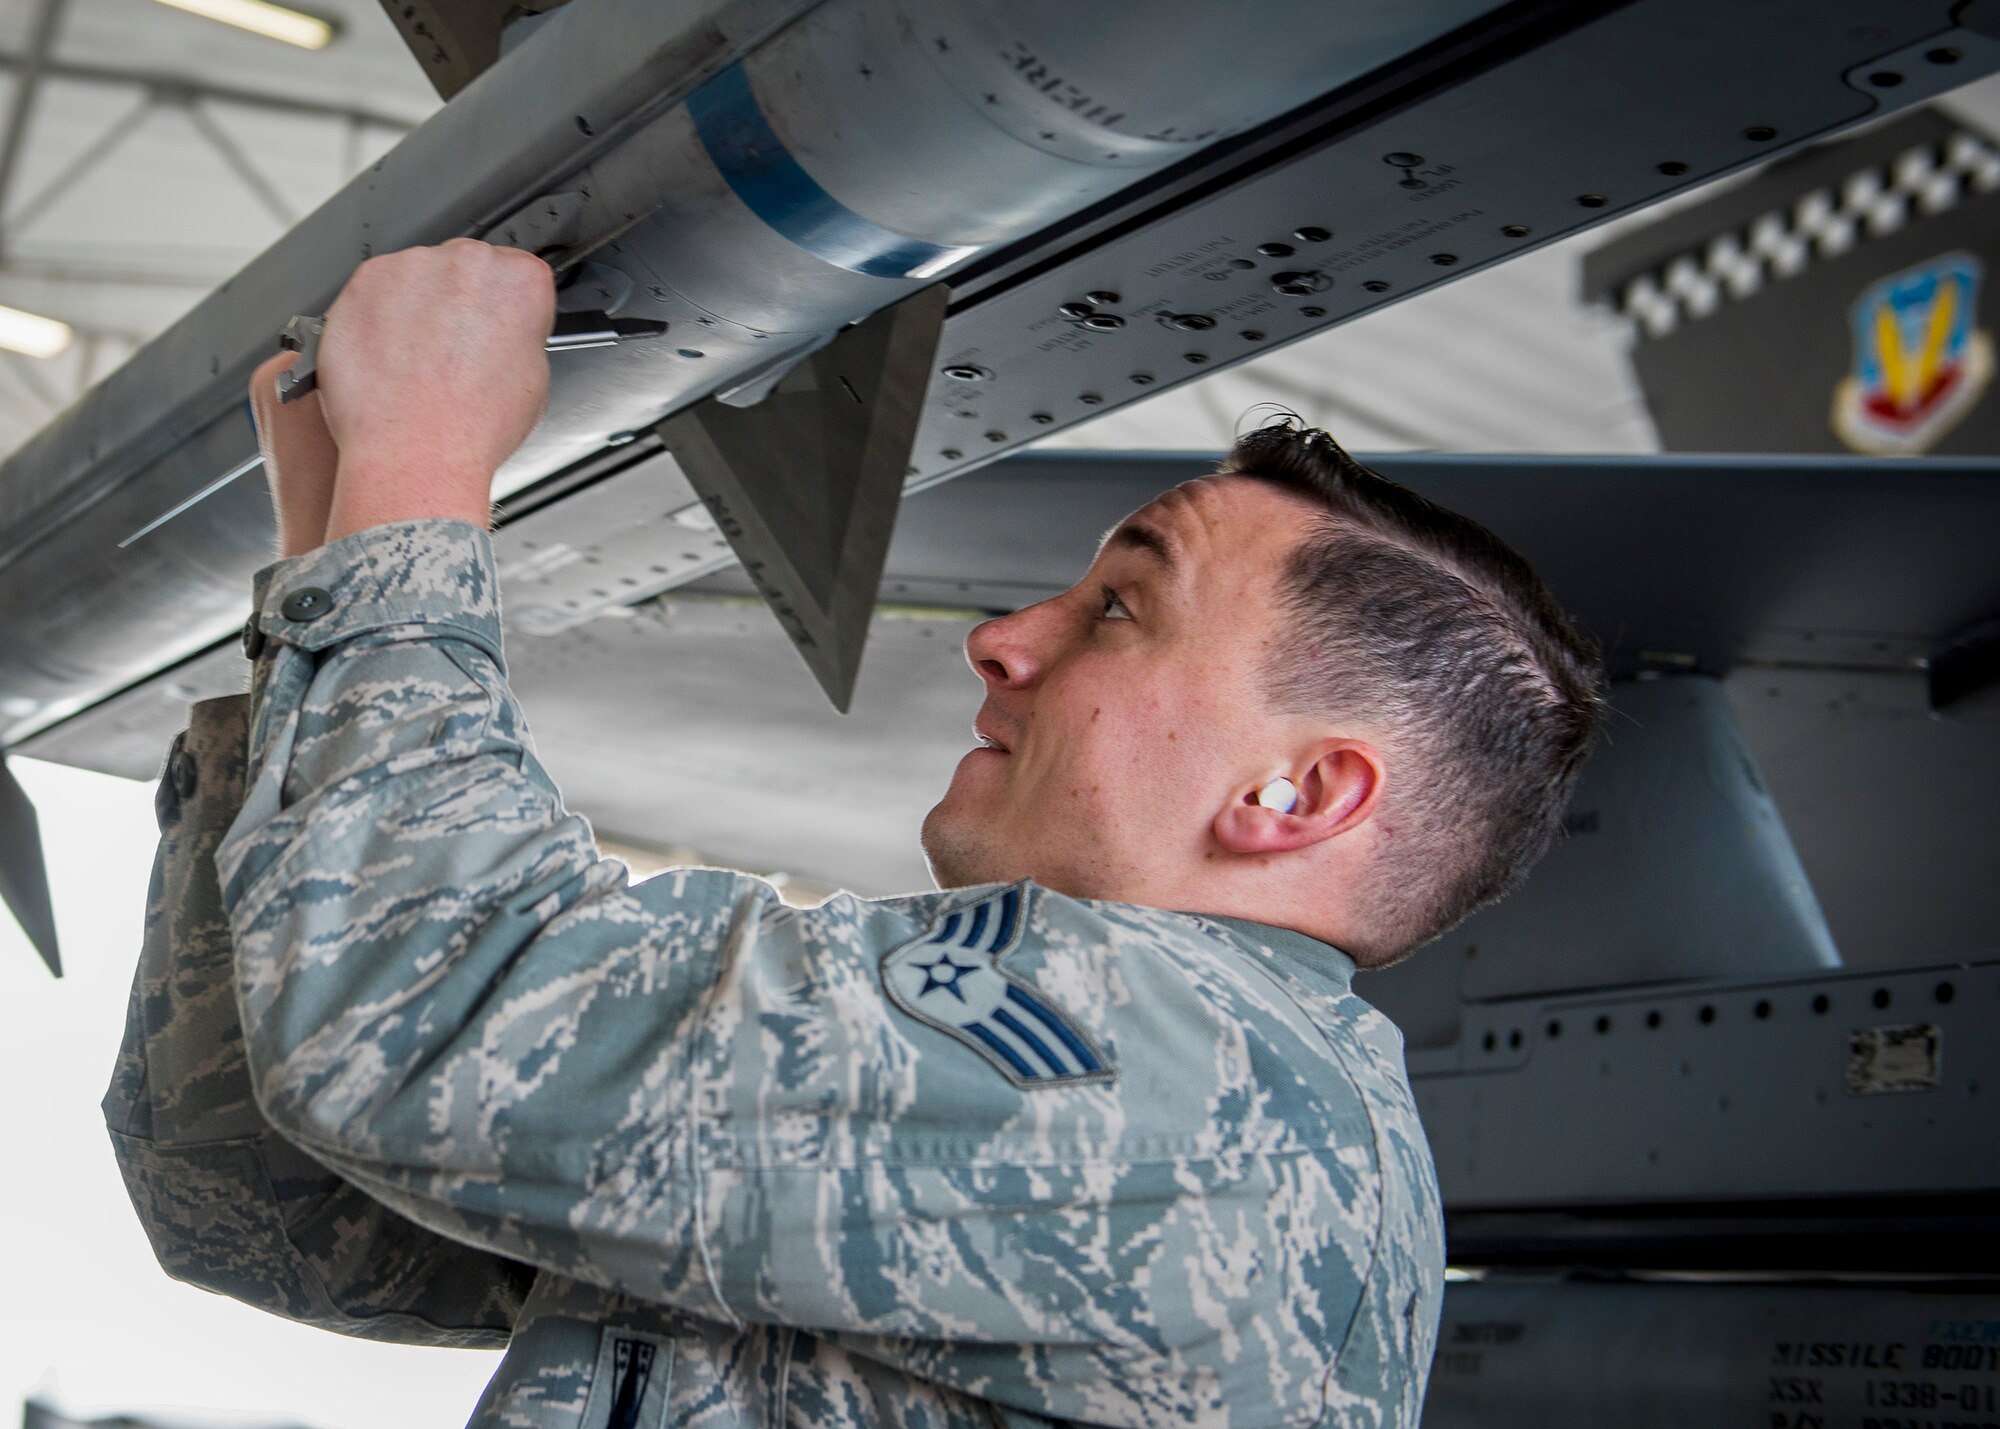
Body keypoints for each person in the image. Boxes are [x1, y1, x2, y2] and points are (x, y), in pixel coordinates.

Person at [108, 238, 1602, 1427]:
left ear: (1299, 796)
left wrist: (417, 485)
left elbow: (414, 1027)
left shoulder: (1200, 1082)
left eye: (1119, 609)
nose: (1005, 638)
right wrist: (338, 545)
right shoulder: (1163, 1115)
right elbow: (271, 1205)